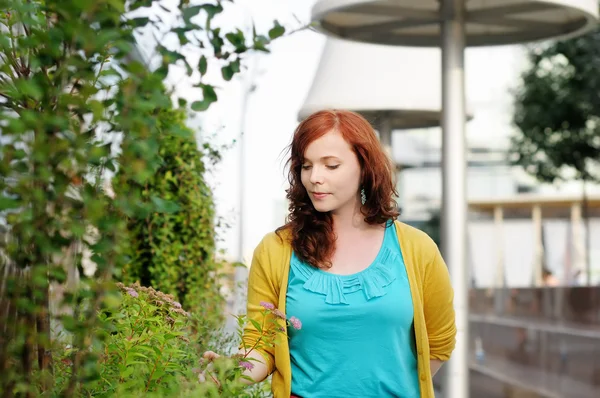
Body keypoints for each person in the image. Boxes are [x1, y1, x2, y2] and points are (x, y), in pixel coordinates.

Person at [203, 110, 456, 398]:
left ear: (365, 167)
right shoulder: (275, 250)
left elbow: (439, 342)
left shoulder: (417, 248)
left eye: (331, 166)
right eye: (307, 166)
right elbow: (261, 345)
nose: (315, 178)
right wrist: (230, 370)